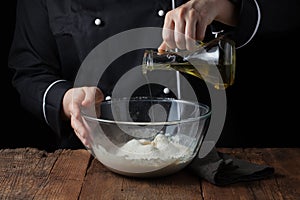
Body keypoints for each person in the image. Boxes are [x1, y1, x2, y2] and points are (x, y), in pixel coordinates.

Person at [8, 0, 300, 151]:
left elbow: (288, 13)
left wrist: (221, 4)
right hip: (95, 159)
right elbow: (29, 70)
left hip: (211, 154)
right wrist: (66, 100)